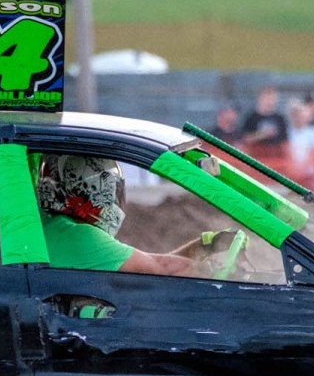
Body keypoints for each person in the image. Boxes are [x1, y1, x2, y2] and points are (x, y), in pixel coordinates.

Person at [37, 155, 235, 277]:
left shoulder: (56, 228)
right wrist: (213, 272)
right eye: (109, 191)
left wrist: (207, 245)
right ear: (85, 191)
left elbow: (152, 265)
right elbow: (162, 268)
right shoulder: (78, 237)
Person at [240, 87, 288, 153]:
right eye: (267, 98)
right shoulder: (251, 118)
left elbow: (285, 141)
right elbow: (245, 139)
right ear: (259, 99)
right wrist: (262, 134)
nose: (270, 102)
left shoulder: (280, 118)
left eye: (273, 99)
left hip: (276, 156)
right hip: (255, 155)